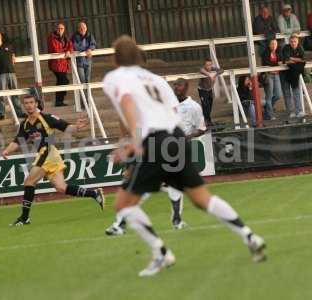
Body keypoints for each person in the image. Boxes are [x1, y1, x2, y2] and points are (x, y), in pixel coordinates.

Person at [103, 35, 266, 277]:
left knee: (123, 203)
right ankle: (249, 236)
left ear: (116, 59)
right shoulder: (156, 79)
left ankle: (161, 254)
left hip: (155, 141)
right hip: (176, 137)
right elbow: (172, 111)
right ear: (138, 56)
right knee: (202, 198)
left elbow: (127, 101)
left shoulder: (114, 77)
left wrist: (133, 142)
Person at [105, 78, 206, 236]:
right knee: (143, 188)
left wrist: (184, 138)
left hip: (176, 148)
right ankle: (120, 223)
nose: (175, 88)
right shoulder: (158, 106)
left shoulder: (193, 107)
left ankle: (176, 220)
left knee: (173, 186)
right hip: (157, 148)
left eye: (178, 85)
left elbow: (201, 128)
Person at [1, 94, 105, 226]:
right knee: (61, 188)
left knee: (29, 182)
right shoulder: (25, 124)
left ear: (36, 104)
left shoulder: (46, 118)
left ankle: (24, 217)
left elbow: (65, 126)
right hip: (48, 155)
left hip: (48, 153)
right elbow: (18, 140)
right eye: (26, 103)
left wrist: (76, 127)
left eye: (31, 102)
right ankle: (94, 193)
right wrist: (6, 151)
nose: (28, 105)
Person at [47, 23, 73, 107]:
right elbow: (55, 49)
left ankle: (59, 101)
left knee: (62, 81)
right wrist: (66, 51)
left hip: (64, 64)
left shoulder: (65, 38)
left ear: (64, 29)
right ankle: (59, 100)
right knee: (63, 81)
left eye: (62, 28)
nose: (60, 30)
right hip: (56, 63)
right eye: (58, 28)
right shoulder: (52, 37)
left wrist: (68, 51)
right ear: (56, 29)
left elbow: (70, 46)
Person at [282, 34, 305, 118]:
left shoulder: (300, 48)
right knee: (287, 93)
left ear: (298, 41)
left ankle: (299, 111)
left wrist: (292, 59)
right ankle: (291, 112)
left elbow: (303, 60)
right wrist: (297, 60)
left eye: (295, 41)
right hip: (285, 73)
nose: (293, 43)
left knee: (296, 92)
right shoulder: (286, 47)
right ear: (289, 42)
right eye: (291, 41)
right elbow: (286, 60)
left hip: (294, 73)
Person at [198, 58, 223, 127]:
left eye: (210, 65)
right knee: (205, 105)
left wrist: (215, 75)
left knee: (210, 105)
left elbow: (221, 70)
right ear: (204, 66)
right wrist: (209, 75)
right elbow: (200, 70)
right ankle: (207, 121)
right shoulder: (203, 69)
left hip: (209, 90)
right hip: (202, 90)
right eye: (207, 65)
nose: (209, 67)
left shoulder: (212, 68)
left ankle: (207, 121)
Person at [261, 39, 282, 120]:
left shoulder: (278, 52)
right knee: (269, 96)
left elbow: (281, 61)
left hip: (276, 75)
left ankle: (266, 108)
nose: (274, 45)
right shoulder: (265, 53)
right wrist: (276, 64)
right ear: (269, 45)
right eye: (272, 44)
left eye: (275, 44)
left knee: (278, 95)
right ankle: (270, 115)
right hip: (268, 75)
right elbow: (266, 64)